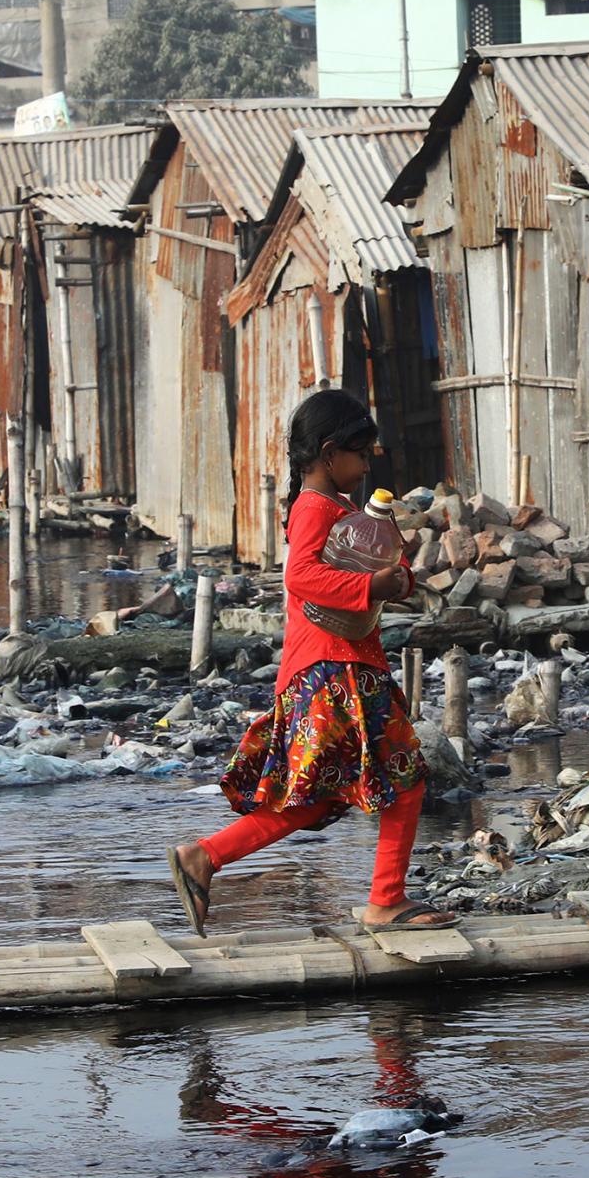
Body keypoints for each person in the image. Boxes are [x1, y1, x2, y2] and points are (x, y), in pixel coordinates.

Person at [167, 390, 450, 935]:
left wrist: (396, 579)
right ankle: (385, 900)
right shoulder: (316, 507)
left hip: (331, 665)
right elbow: (301, 578)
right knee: (404, 778)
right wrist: (373, 583)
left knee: (321, 796)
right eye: (361, 455)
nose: (366, 466)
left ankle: (204, 857)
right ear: (327, 452)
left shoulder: (337, 510)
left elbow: (382, 572)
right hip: (335, 669)